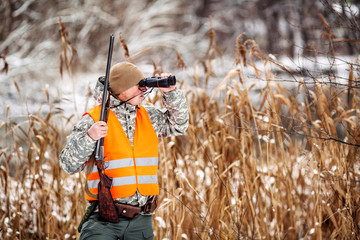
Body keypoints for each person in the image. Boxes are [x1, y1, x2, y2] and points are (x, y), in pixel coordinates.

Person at [59, 62, 189, 240]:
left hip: (141, 221)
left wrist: (171, 93)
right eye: (138, 86)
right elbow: (68, 164)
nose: (143, 90)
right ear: (121, 89)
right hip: (103, 221)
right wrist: (90, 137)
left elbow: (178, 125)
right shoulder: (94, 119)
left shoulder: (149, 116)